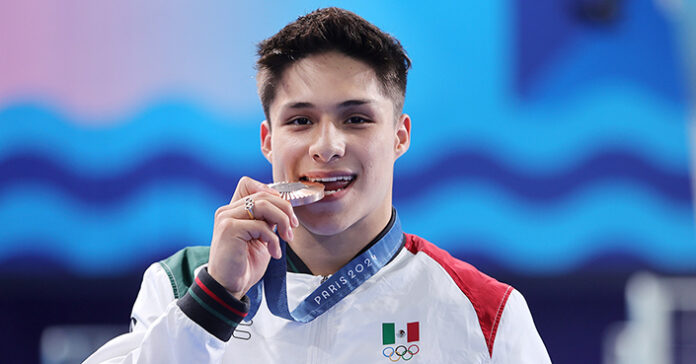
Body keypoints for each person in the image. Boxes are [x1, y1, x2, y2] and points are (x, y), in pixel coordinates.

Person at [84, 7, 551, 363]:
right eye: (301, 120)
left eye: (356, 118)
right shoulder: (179, 285)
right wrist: (215, 301)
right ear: (269, 140)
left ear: (399, 136)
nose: (326, 146)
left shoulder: (487, 314)